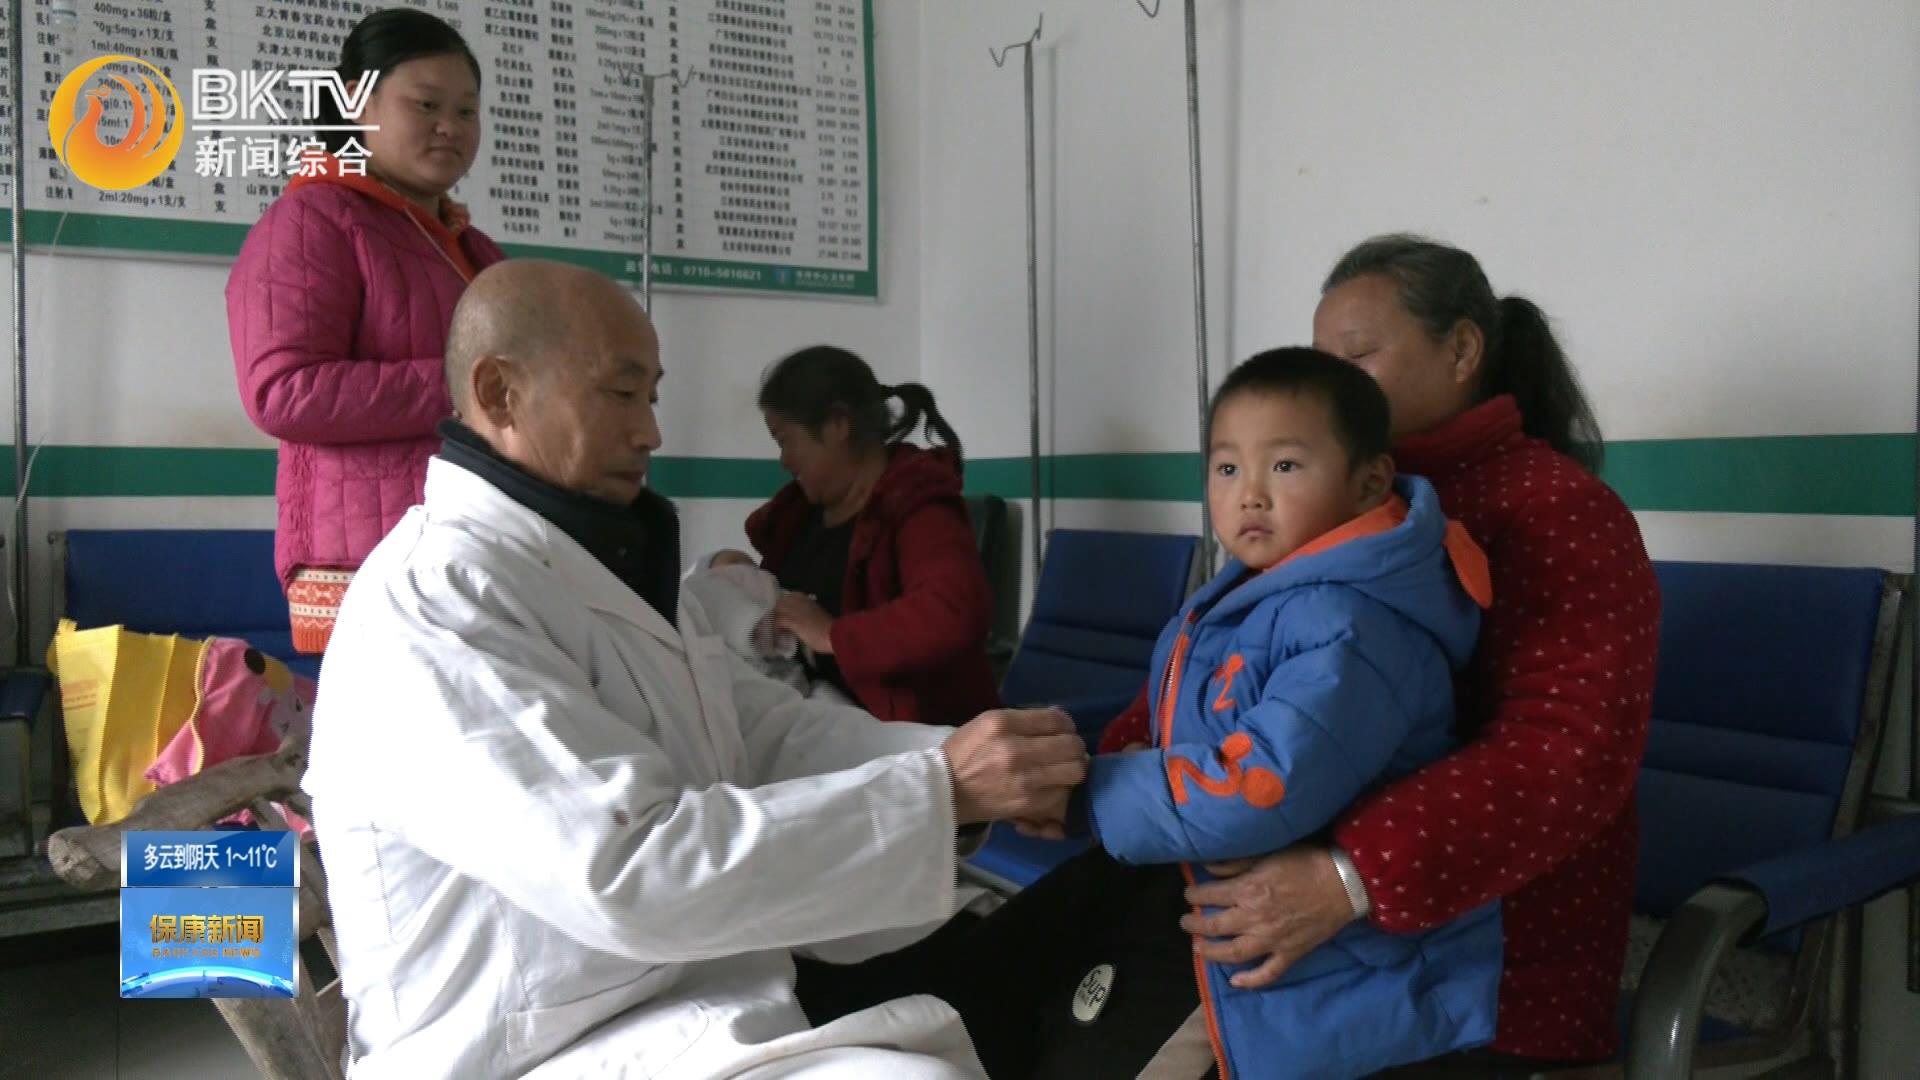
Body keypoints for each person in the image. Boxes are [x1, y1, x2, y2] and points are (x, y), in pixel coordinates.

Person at [303, 260, 1089, 1079]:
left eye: (652, 396)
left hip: (688, 1007)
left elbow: (768, 735)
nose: (650, 432)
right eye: (621, 393)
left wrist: (980, 768)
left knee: (1050, 960)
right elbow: (626, 871)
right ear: (500, 393)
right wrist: (942, 790)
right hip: (526, 1055)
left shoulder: (599, 573)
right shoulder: (438, 601)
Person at [1134, 234, 1660, 1074]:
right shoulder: (1333, 498)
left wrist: (1350, 877)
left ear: (1462, 350)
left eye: (1358, 355)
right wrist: (1104, 768)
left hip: (1487, 971)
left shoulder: (1559, 512)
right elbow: (1219, 664)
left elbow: (1568, 752)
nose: (1329, 381)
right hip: (1293, 936)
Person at [922, 348, 1501, 1079]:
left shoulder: (1350, 623)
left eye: (1284, 466)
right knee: (1006, 982)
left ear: (1368, 482)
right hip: (1212, 883)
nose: (1249, 494)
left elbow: (1263, 783)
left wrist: (1085, 795)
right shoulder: (1251, 594)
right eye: (1227, 468)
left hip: (1308, 958)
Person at [228, 8, 505, 654]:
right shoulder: (312, 220)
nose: (450, 126)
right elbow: (283, 391)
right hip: (368, 561)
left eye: (466, 110)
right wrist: (470, 391)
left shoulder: (473, 247)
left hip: (468, 547)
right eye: (426, 104)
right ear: (356, 104)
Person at [708, 346, 998, 725]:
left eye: (785, 441)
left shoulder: (917, 507)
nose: (784, 461)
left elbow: (953, 613)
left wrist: (832, 635)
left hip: (913, 735)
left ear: (837, 425)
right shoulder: (797, 519)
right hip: (810, 718)